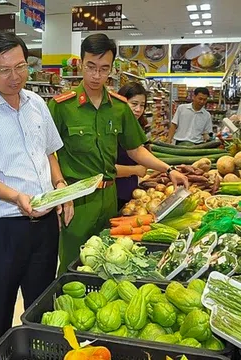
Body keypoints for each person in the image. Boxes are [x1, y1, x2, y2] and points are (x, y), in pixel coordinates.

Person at [0, 32, 74, 351]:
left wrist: (60, 184)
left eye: (21, 66)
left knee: (40, 307)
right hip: (1, 229)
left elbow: (50, 151)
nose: (15, 77)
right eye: (4, 70)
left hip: (45, 226)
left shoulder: (36, 102)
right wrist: (17, 197)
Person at [48, 33, 189, 274]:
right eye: (91, 67)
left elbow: (135, 149)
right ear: (81, 62)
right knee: (72, 265)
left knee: (109, 262)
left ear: (111, 69)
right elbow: (48, 151)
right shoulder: (61, 107)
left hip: (110, 198)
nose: (96, 75)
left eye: (104, 69)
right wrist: (59, 186)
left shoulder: (119, 107)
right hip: (77, 200)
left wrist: (169, 169)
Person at [115, 82, 149, 210]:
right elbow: (106, 169)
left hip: (131, 192)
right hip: (115, 193)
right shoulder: (114, 129)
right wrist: (136, 170)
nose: (139, 109)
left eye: (142, 105)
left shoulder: (137, 126)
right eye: (134, 104)